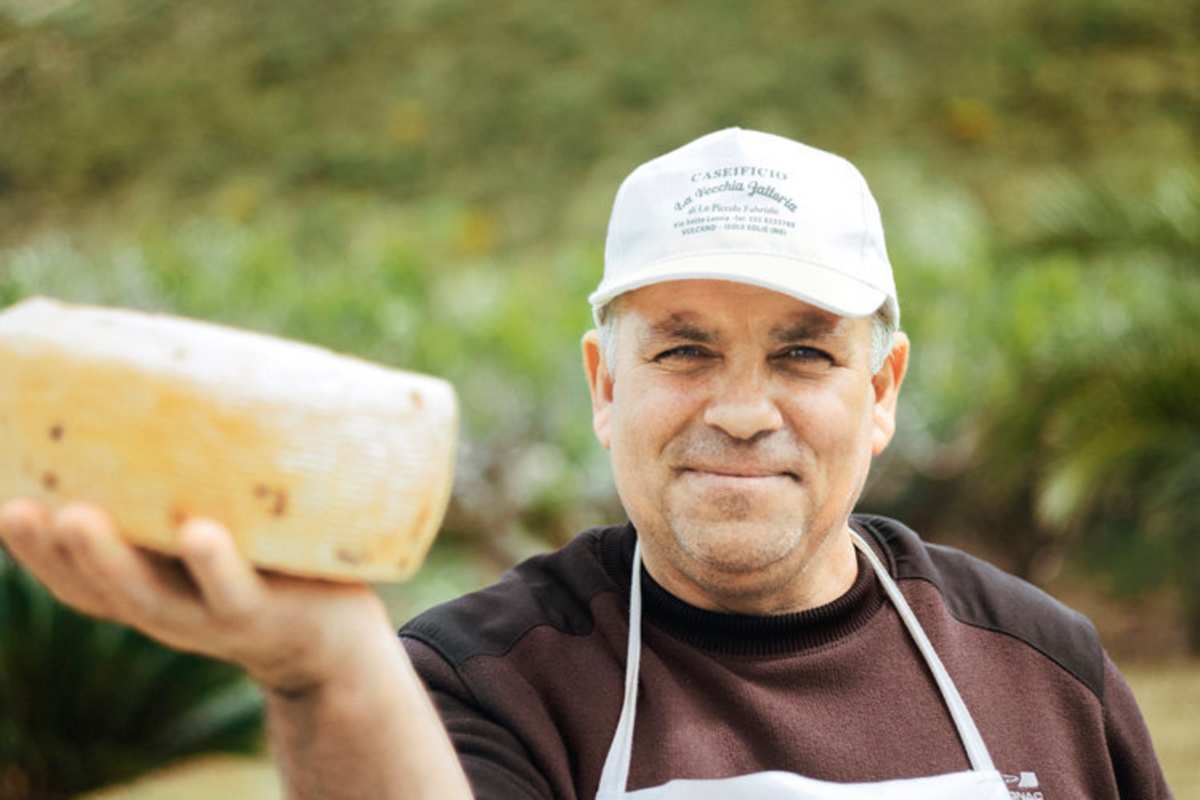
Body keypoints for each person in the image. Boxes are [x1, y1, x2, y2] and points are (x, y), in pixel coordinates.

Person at [0, 129, 1171, 800]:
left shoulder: (1042, 669)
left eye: (804, 352)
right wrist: (324, 667)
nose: (744, 411)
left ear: (881, 392)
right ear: (605, 386)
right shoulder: (480, 681)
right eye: (685, 349)